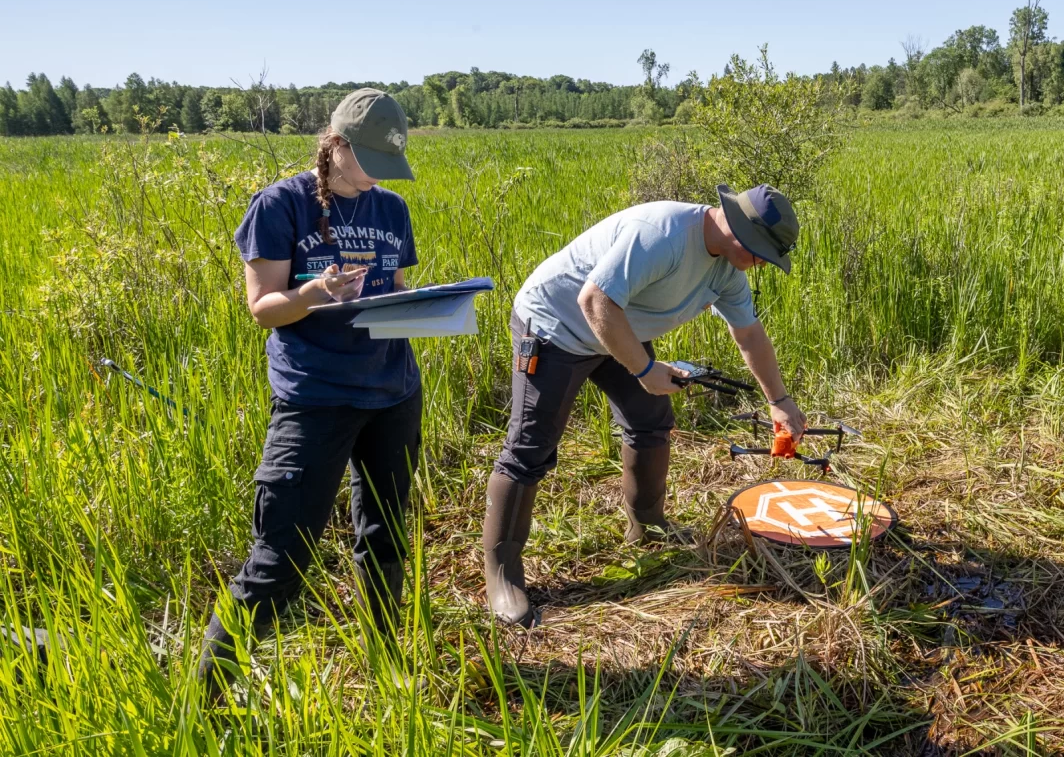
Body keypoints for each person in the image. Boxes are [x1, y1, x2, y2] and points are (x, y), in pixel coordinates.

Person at [483, 184, 808, 627]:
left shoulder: (728, 273)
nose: (761, 264)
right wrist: (643, 369)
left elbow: (748, 334)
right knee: (531, 447)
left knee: (650, 419)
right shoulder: (662, 234)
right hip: (555, 326)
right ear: (738, 231)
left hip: (615, 328)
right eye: (761, 253)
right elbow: (594, 300)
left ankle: (648, 525)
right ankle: (502, 575)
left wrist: (780, 401)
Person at [198, 89, 421, 697]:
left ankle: (386, 665)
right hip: (315, 396)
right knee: (283, 554)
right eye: (368, 157)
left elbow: (396, 290)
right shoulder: (281, 205)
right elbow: (263, 309)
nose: (377, 174)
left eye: (388, 162)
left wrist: (427, 308)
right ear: (338, 145)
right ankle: (202, 695)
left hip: (393, 390)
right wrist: (312, 295)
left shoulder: (392, 208)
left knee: (386, 536)